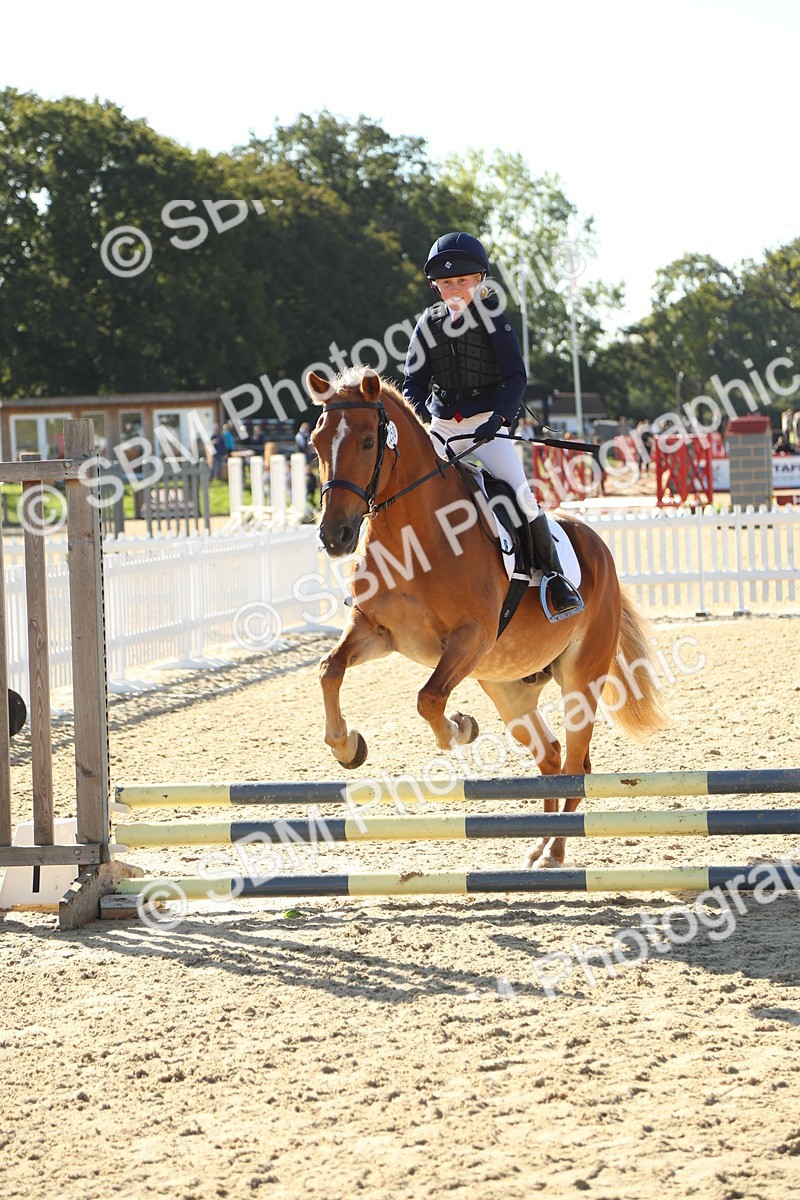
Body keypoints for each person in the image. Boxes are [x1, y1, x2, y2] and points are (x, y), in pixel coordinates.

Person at [402, 231, 582, 618]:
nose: (454, 289)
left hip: (487, 425)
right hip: (442, 427)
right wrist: (418, 423)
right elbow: (413, 383)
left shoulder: (495, 323)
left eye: (461, 282)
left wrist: (499, 418)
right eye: (446, 283)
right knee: (408, 488)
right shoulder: (425, 326)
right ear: (435, 285)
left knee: (521, 494)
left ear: (479, 280)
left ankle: (554, 578)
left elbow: (516, 378)